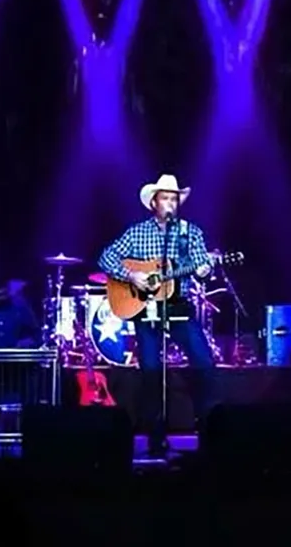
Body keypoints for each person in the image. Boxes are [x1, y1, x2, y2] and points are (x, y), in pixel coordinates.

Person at [98, 174, 216, 457]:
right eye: (165, 198)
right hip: (147, 310)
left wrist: (205, 269)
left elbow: (202, 266)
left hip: (179, 308)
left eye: (174, 198)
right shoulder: (137, 233)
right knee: (150, 372)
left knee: (204, 364)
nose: (170, 203)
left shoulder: (190, 232)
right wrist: (133, 275)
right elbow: (106, 258)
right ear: (154, 202)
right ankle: (155, 437)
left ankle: (210, 430)